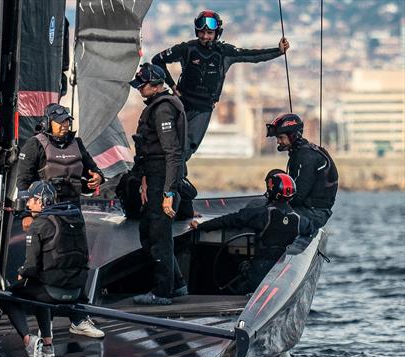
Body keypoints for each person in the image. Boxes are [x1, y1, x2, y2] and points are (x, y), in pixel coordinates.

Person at [152, 10, 290, 160]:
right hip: (180, 103)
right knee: (165, 144)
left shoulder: (224, 53)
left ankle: (175, 179)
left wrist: (278, 51)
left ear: (217, 33)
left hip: (202, 109)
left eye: (209, 33)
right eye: (202, 32)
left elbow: (253, 56)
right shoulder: (187, 49)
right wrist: (172, 86)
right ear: (196, 32)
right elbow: (157, 60)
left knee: (185, 151)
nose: (205, 36)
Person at [0, 181, 105, 357]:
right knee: (39, 284)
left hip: (53, 292)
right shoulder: (76, 219)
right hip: (76, 292)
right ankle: (48, 346)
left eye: (31, 201)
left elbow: (30, 267)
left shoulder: (38, 224)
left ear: (42, 201)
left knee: (7, 297)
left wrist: (20, 274)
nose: (28, 205)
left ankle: (28, 340)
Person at [190, 172, 315, 292]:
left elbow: (229, 220)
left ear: (272, 192)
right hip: (282, 274)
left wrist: (202, 226)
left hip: (258, 274)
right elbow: (312, 231)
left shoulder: (261, 214)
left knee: (238, 279)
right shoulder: (301, 221)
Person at [128, 63, 188, 306]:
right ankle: (178, 284)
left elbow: (172, 152)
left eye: (142, 85)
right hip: (154, 176)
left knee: (158, 235)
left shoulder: (163, 109)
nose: (139, 89)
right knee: (152, 232)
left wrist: (168, 192)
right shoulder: (160, 105)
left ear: (153, 85)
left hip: (162, 179)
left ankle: (162, 293)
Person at [15, 103, 104, 207]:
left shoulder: (77, 144)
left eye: (67, 120)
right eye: (60, 121)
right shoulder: (34, 144)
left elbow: (93, 170)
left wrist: (99, 178)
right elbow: (23, 181)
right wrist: (26, 215)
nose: (65, 124)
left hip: (73, 207)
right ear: (47, 123)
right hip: (45, 208)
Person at [266, 113, 338, 229]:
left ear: (293, 136)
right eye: (277, 138)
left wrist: (272, 206)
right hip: (308, 209)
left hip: (314, 213)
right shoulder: (302, 152)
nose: (278, 142)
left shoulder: (305, 157)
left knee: (266, 217)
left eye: (281, 138)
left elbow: (298, 196)